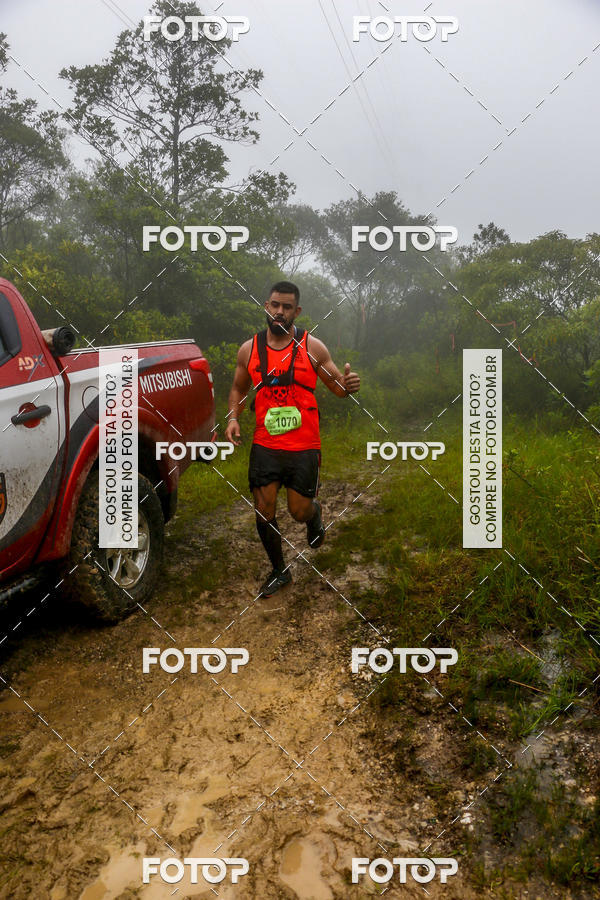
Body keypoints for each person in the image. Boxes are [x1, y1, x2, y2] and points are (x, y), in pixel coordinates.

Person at [224, 281, 361, 597]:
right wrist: (233, 418)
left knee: (298, 510)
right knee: (263, 508)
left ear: (296, 311)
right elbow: (238, 389)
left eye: (287, 307)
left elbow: (337, 388)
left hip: (304, 445)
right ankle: (279, 571)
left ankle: (315, 514)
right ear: (266, 307)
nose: (279, 312)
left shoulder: (313, 348)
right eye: (274, 305)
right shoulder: (250, 349)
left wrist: (348, 385)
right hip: (265, 444)